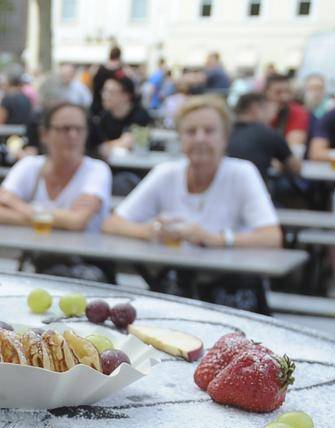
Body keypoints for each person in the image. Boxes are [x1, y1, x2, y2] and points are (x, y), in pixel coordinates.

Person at [102, 95, 281, 313]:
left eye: (209, 130)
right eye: (191, 131)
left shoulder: (242, 173)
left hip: (231, 287)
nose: (199, 138)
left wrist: (212, 238)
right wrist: (151, 230)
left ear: (225, 137)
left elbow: (272, 236)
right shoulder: (166, 173)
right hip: (177, 284)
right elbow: (112, 223)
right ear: (180, 138)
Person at [0, 102, 114, 281]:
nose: (73, 135)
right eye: (64, 129)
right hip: (36, 264)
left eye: (79, 129)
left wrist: (20, 206)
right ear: (44, 134)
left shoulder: (97, 170)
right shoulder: (29, 166)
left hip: (87, 268)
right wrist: (61, 218)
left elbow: (77, 221)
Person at [227, 92, 303, 204]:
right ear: (255, 108)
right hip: (254, 198)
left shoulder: (223, 133)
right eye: (267, 109)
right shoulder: (268, 134)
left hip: (223, 195)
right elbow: (295, 167)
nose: (272, 115)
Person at [88, 76, 152, 159]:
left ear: (126, 96)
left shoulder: (141, 115)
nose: (105, 96)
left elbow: (132, 142)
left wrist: (105, 146)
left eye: (110, 92)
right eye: (104, 91)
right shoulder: (104, 116)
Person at [265, 74, 310, 147]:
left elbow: (294, 148)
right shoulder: (257, 112)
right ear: (266, 93)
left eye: (287, 92)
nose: (284, 97)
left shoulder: (297, 112)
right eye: (278, 92)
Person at [90, 46, 128, 114]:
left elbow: (93, 87)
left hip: (97, 104)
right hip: (113, 106)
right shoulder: (120, 71)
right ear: (119, 56)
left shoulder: (100, 69)